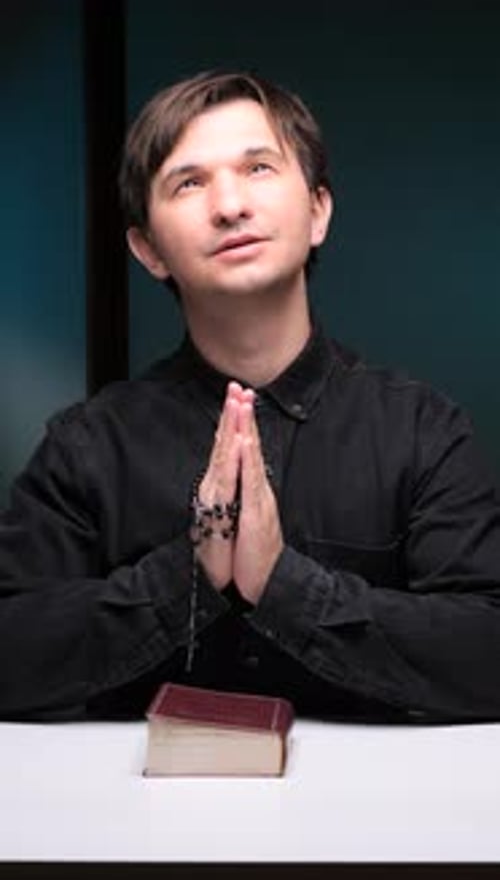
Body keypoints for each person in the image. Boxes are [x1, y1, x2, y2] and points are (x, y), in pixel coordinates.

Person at [1, 70, 500, 724]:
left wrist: (281, 585)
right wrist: (190, 575)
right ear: (148, 249)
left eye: (258, 168)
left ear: (318, 211)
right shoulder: (88, 445)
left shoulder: (422, 429)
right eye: (190, 182)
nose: (230, 205)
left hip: (372, 822)